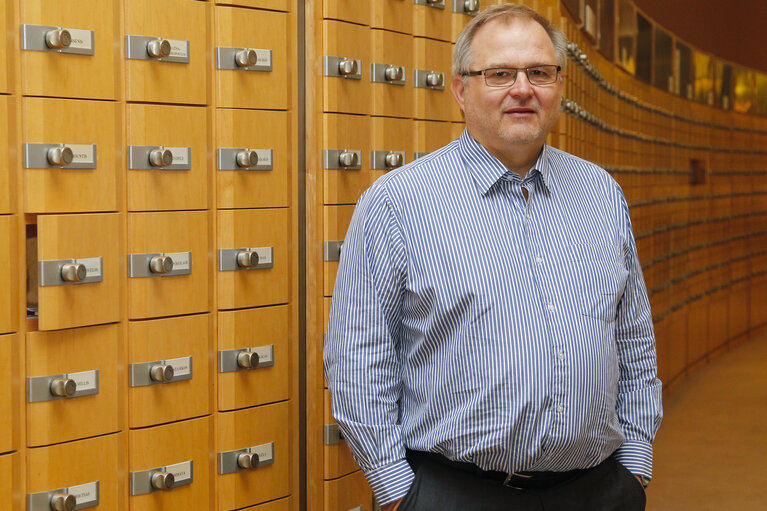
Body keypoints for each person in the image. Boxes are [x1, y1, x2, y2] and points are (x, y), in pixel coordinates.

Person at [324, 4, 662, 510]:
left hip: (598, 490)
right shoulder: (398, 203)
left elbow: (633, 337)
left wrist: (635, 463)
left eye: (539, 73)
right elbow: (357, 356)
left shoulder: (600, 194)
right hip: (454, 492)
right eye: (500, 73)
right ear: (461, 89)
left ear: (559, 87)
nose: (522, 88)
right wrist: (398, 491)